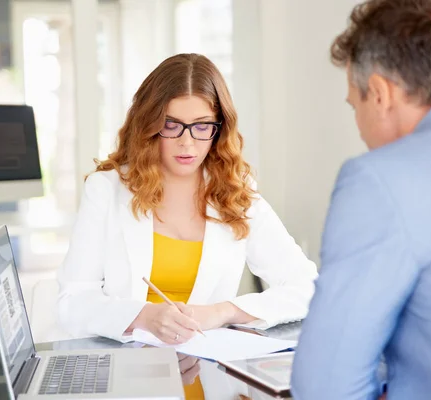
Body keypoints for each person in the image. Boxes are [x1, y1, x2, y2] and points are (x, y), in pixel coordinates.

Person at [57, 53, 317, 345]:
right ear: (149, 124)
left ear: (220, 128)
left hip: (207, 369)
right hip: (130, 369)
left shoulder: (236, 191)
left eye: (202, 126)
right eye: (171, 125)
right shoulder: (106, 189)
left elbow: (308, 286)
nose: (187, 142)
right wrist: (143, 316)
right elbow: (73, 301)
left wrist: (221, 312)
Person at [291, 1, 431, 399]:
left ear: (379, 93)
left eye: (354, 105)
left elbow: (325, 388)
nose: (358, 126)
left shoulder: (379, 179)